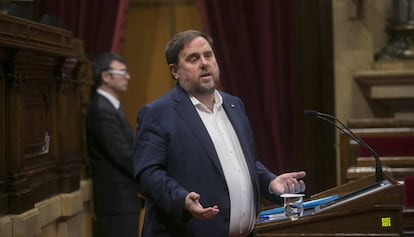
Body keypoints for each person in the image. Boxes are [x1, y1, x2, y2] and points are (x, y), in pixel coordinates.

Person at [133, 30, 306, 237]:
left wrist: (269, 181)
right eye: (193, 58)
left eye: (208, 55)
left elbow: (242, 163)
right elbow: (147, 175)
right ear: (175, 71)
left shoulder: (234, 105)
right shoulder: (158, 114)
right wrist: (182, 199)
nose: (204, 63)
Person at [86, 53, 142, 237]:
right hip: (116, 201)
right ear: (105, 76)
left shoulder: (110, 106)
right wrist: (148, 176)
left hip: (123, 199)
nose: (128, 76)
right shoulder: (101, 109)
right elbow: (122, 155)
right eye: (122, 72)